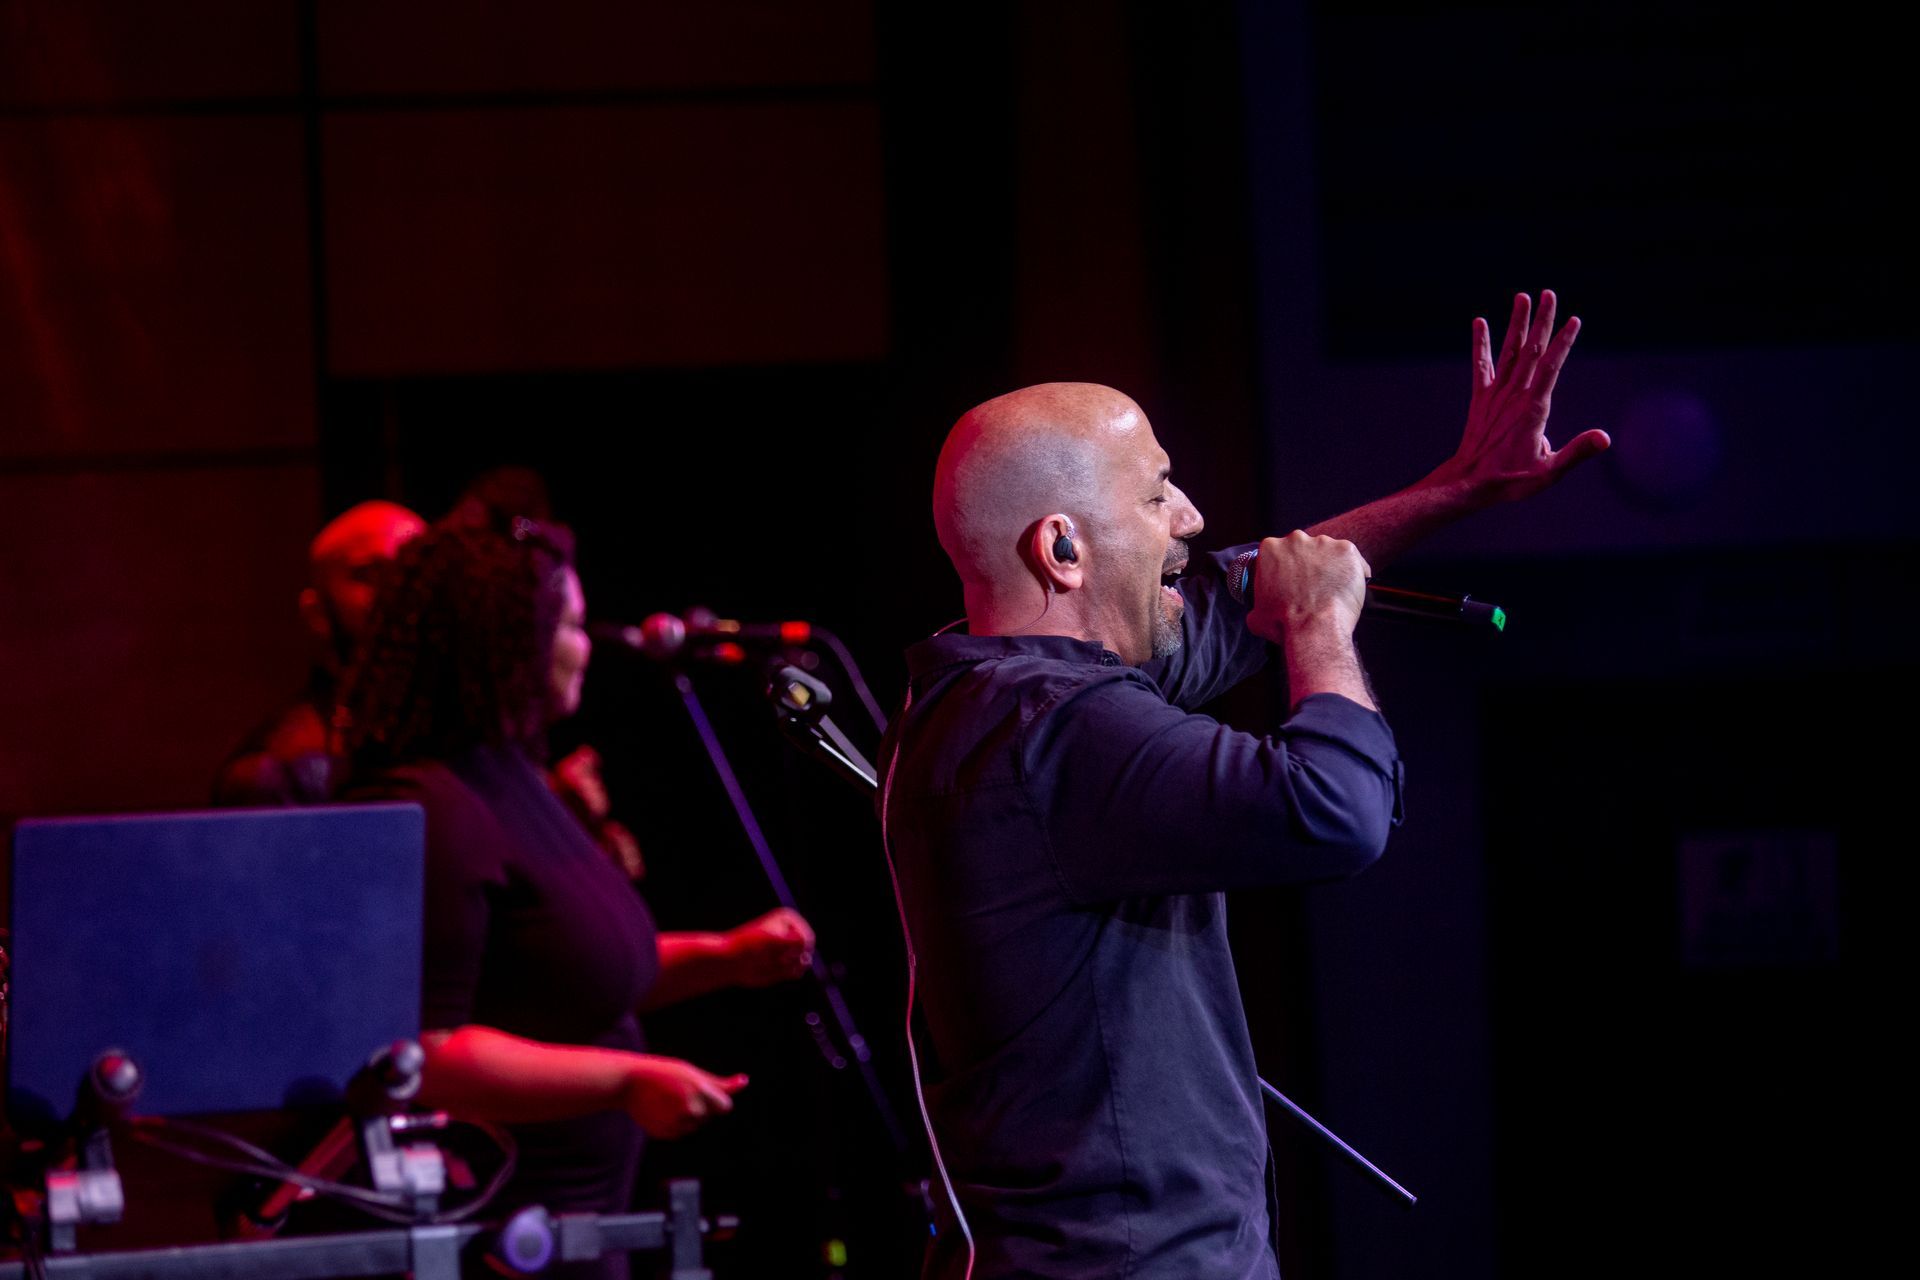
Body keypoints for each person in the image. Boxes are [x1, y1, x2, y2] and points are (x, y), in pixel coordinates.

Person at [881, 292, 1605, 1278]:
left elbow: (1228, 594)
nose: (1192, 516)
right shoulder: (1058, 730)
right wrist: (1320, 630)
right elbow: (1334, 811)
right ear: (1062, 547)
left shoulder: (997, 701)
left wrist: (1458, 486)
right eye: (1157, 495)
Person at [338, 512, 816, 1279]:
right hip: (499, 1234)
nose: (588, 643)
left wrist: (727, 957)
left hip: (579, 1226)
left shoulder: (514, 778)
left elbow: (566, 978)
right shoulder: (435, 805)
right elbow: (425, 1053)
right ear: (505, 644)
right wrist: (624, 1079)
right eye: (568, 624)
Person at [213, 500, 426, 806]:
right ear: (317, 614)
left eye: (415, 571)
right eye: (370, 574)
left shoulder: (480, 745)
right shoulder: (277, 772)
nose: (401, 590)